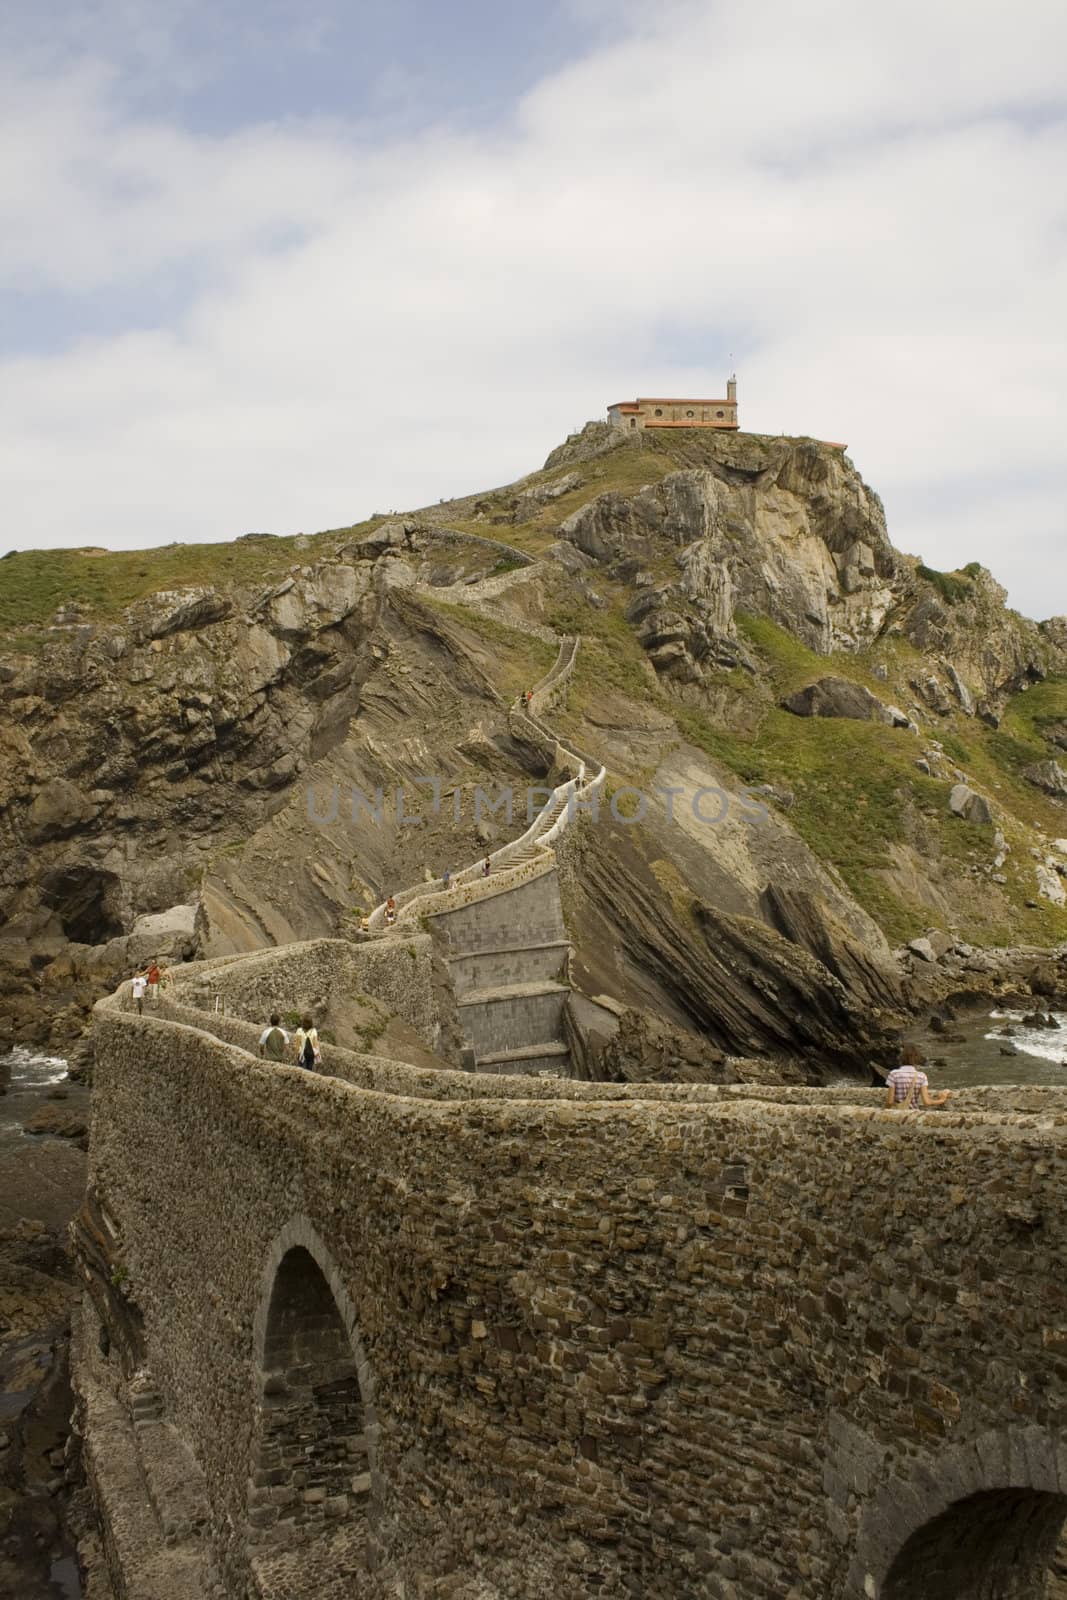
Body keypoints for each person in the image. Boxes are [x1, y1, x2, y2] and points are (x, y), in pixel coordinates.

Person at [884, 1048, 950, 1111]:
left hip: (898, 1114)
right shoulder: (921, 1076)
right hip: (913, 1113)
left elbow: (890, 1102)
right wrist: (942, 1100)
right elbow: (927, 1102)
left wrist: (884, 1111)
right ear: (916, 1059)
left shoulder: (894, 1074)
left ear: (901, 1058)